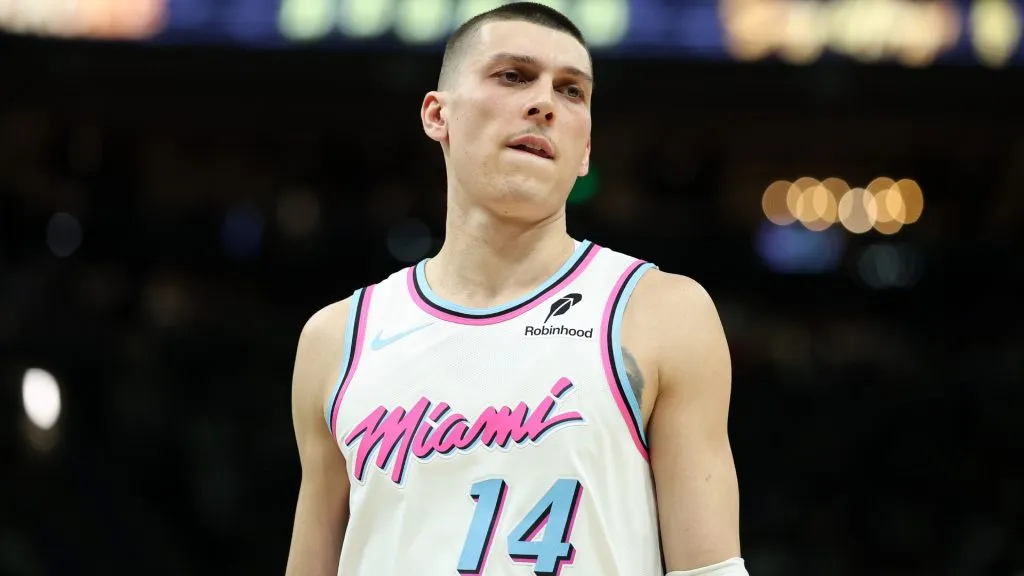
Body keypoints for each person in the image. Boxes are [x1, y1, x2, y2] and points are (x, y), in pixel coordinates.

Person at [285, 3, 746, 575]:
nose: (545, 103)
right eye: (513, 76)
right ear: (437, 115)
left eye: (572, 91)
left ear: (586, 150)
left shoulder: (660, 313)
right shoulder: (337, 339)